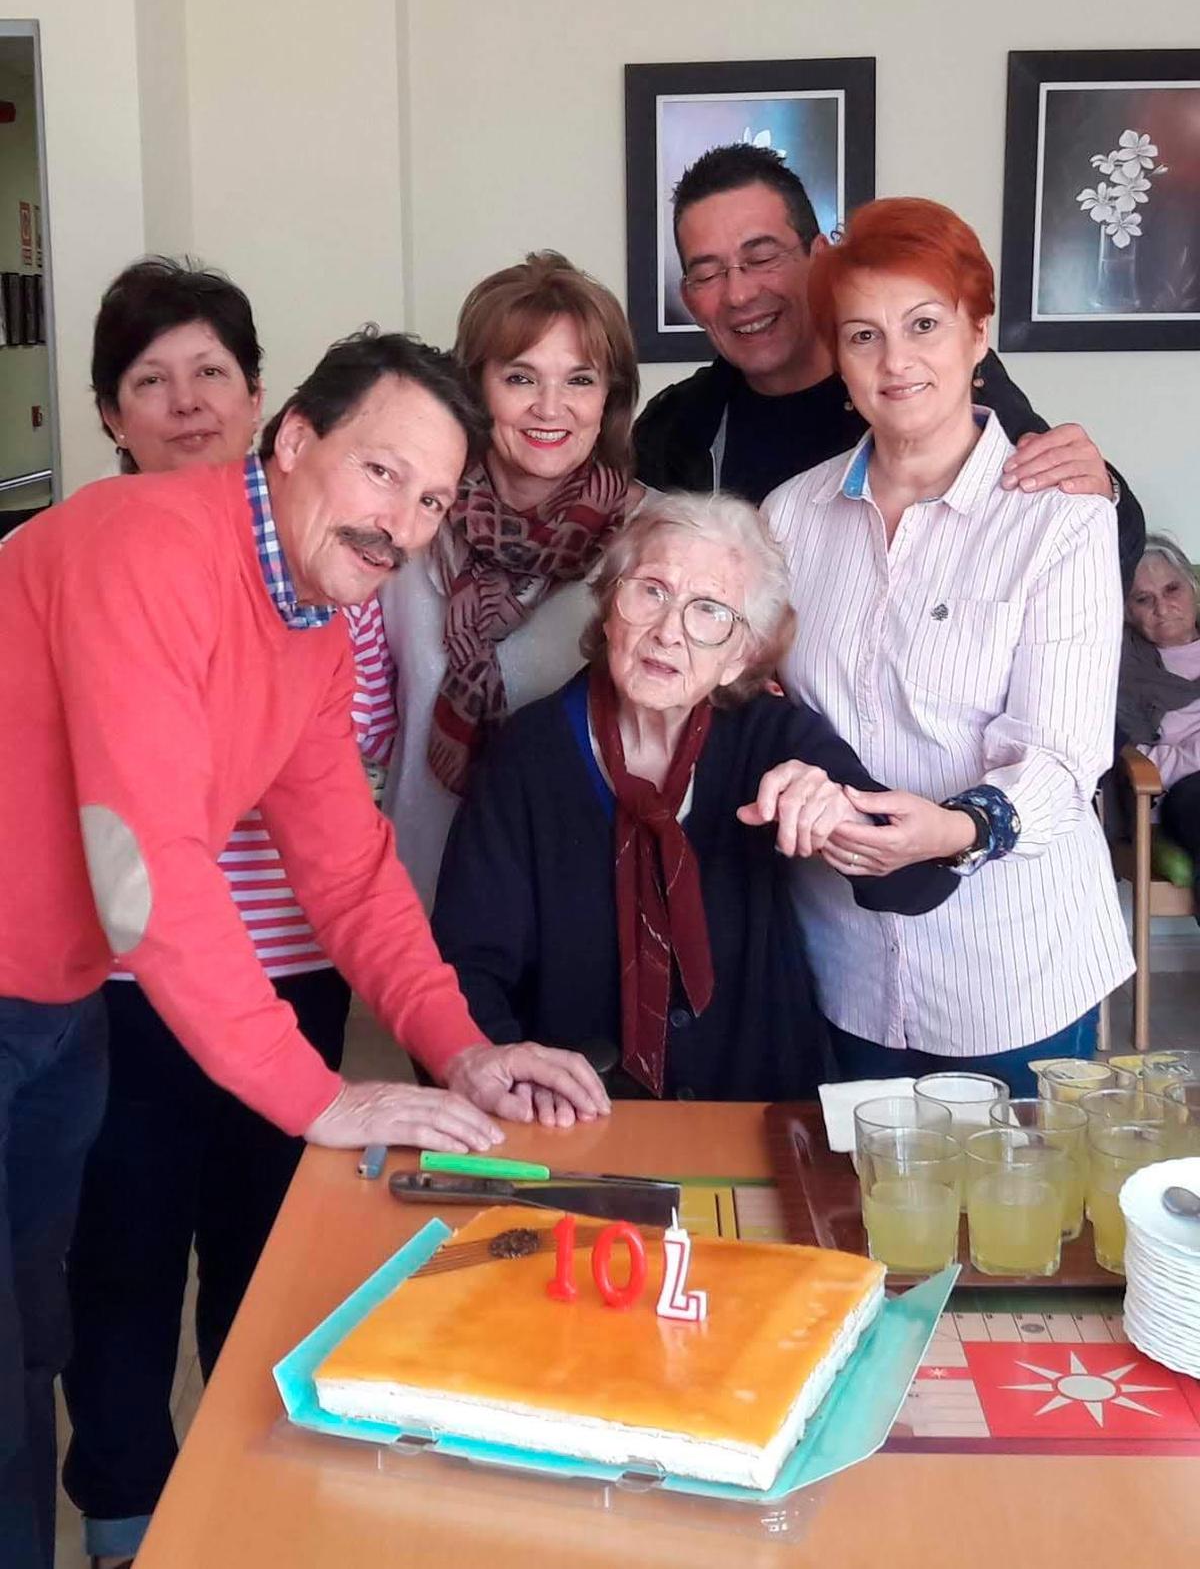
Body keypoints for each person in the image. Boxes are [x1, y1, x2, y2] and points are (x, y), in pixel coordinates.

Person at [0, 328, 609, 1569]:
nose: (407, 523)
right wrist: (313, 1096)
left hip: (49, 1006)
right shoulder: (149, 546)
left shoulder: (315, 624)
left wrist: (463, 1049)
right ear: (293, 441)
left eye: (435, 499)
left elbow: (347, 871)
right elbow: (145, 864)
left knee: (29, 1346)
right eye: (385, 473)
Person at [59, 259, 389, 1569]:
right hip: (128, 985)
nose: (187, 404)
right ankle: (131, 1516)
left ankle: (257, 1512)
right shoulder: (92, 569)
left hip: (295, 971)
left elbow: (354, 780)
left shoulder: (340, 567)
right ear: (109, 414)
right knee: (124, 1259)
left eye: (213, 375)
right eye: (152, 381)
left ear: (263, 402)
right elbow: (131, 826)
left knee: (270, 1261)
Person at [761, 197, 1134, 1096]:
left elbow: (1062, 753)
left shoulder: (1060, 516)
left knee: (1019, 1227)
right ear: (837, 360)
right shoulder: (788, 518)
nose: (896, 362)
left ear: (977, 334)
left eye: (924, 324)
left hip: (1012, 963)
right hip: (844, 957)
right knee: (864, 1215)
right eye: (862, 336)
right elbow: (771, 708)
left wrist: (959, 829)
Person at [432, 494, 958, 1101]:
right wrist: (511, 1075)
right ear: (608, 608)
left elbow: (917, 886)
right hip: (577, 1111)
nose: (667, 632)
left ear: (741, 656)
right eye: (651, 590)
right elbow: (466, 959)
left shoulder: (772, 736)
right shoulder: (530, 751)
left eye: (709, 611)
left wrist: (844, 819)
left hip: (759, 1108)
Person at [633, 143, 1145, 583]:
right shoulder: (676, 427)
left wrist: (1103, 491)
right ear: (688, 297)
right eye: (708, 273)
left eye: (762, 258)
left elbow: (1084, 535)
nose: (740, 293)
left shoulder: (923, 385)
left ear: (819, 257)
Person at [380, 251, 643, 907]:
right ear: (475, 387)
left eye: (580, 380)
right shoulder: (407, 531)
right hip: (425, 898)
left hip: (588, 906)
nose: (550, 408)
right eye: (520, 377)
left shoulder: (657, 540)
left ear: (608, 396)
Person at [1118, 535, 1200, 904]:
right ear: (1126, 611)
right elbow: (1137, 759)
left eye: (1172, 589)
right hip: (1185, 793)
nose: (1162, 607)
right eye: (1143, 599)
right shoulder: (1121, 671)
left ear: (1193, 589)